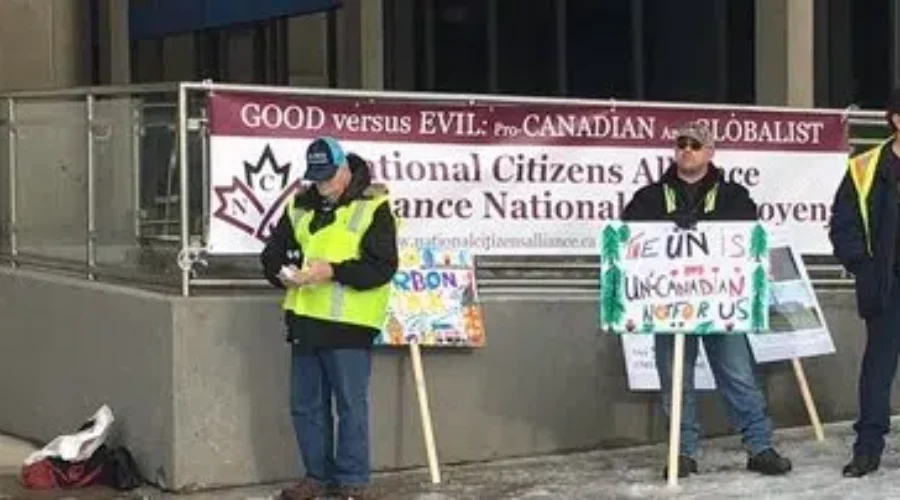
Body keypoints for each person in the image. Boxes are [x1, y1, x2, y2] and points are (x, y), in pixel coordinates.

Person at [621, 121, 792, 478]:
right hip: (668, 305)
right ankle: (681, 453)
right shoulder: (649, 196)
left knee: (739, 375)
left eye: (695, 145)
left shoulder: (733, 195)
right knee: (675, 379)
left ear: (710, 152)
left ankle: (759, 447)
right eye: (681, 143)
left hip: (720, 304)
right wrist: (669, 225)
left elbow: (748, 231)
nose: (687, 150)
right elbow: (628, 236)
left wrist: (703, 224)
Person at [261, 137, 399, 499]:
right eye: (315, 177)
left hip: (350, 325)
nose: (320, 185)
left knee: (350, 405)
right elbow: (271, 254)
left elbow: (382, 266)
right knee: (306, 406)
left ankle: (352, 481)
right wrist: (281, 273)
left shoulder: (374, 207)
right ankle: (315, 477)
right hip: (305, 321)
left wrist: (333, 271)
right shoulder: (300, 207)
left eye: (326, 177)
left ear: (344, 170)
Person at [829, 88, 900, 478]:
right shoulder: (866, 166)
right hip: (888, 285)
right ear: (896, 120)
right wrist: (864, 266)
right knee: (878, 368)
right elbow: (843, 225)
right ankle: (868, 448)